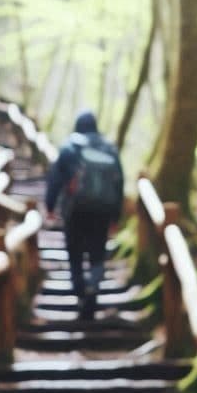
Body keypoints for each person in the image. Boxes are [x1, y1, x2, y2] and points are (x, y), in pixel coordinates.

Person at [44, 110, 124, 320]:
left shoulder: (70, 147)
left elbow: (55, 180)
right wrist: (116, 216)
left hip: (75, 211)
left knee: (75, 255)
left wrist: (50, 207)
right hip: (103, 212)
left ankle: (81, 293)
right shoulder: (109, 149)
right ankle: (93, 291)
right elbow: (119, 184)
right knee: (98, 254)